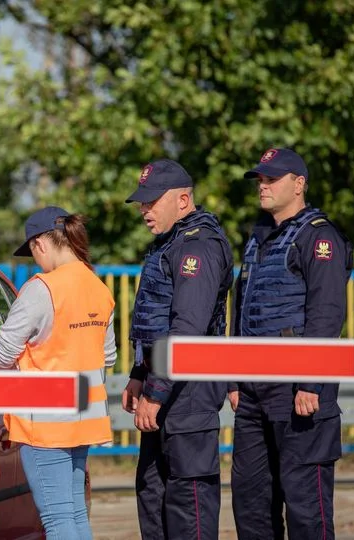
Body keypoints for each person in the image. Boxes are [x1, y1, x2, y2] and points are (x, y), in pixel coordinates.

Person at [230, 148, 353, 540]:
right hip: (252, 392)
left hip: (298, 392)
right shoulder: (259, 236)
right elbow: (241, 308)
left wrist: (309, 381)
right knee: (252, 506)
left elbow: (326, 313)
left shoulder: (320, 238)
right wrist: (232, 378)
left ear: (298, 184)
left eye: (271, 179)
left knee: (306, 511)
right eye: (260, 180)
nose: (262, 186)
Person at [121, 159, 234, 540]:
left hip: (188, 393)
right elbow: (153, 320)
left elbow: (186, 329)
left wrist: (155, 390)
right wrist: (140, 375)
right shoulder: (169, 244)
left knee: (188, 508)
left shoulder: (198, 246)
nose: (144, 211)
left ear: (183, 200)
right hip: (163, 387)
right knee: (153, 498)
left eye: (152, 202)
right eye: (141, 203)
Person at [0, 206, 117, 540]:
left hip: (44, 424)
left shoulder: (41, 289)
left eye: (32, 253)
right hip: (83, 419)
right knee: (75, 512)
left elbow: (0, 355)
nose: (35, 262)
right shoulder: (98, 288)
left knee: (57, 520)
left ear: (40, 245)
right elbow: (108, 356)